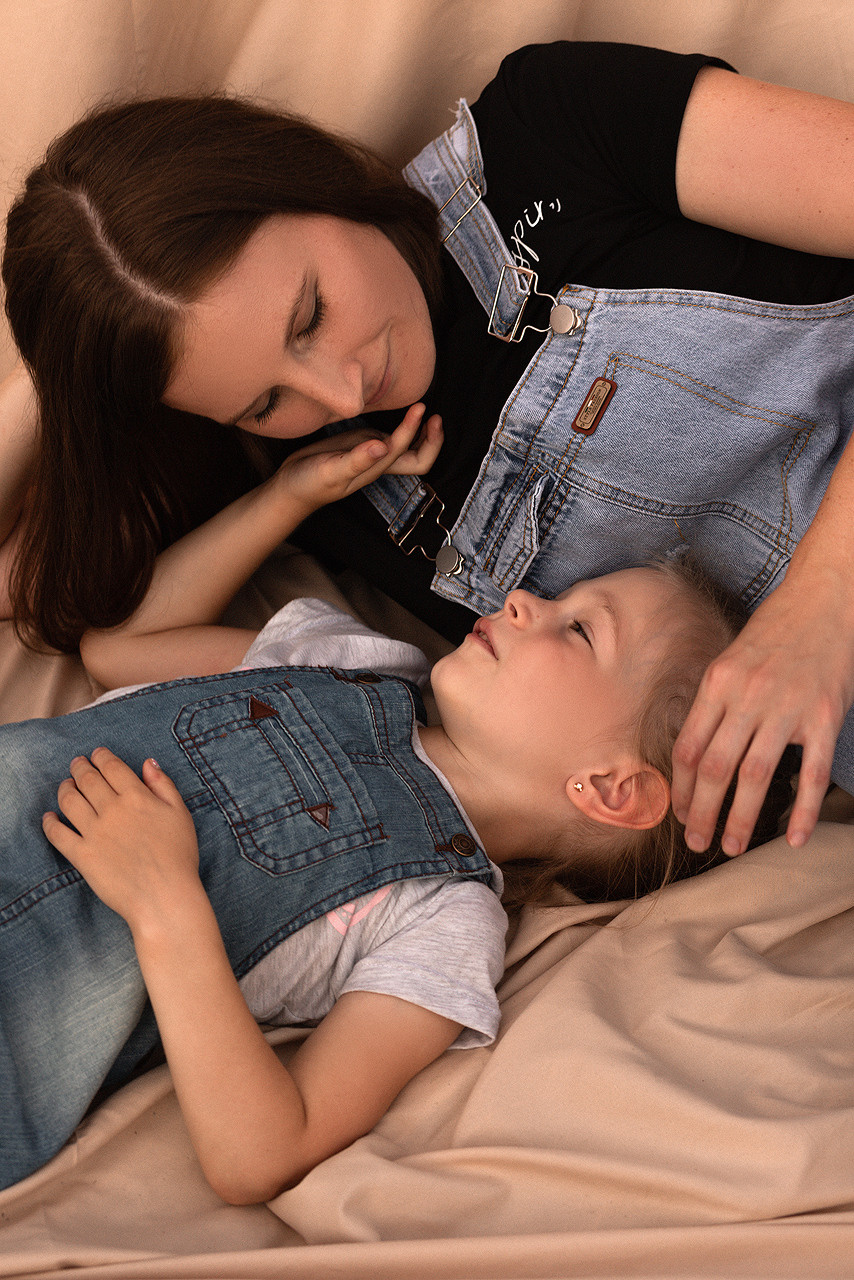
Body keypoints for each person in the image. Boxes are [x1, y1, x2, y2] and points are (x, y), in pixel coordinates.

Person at [2, 42, 854, 882]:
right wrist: (281, 496)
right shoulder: (329, 477)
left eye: (311, 314)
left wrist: (819, 608)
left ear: (311, 188)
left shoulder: (552, 126)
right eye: (265, 403)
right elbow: (98, 617)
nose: (341, 393)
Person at [0, 428, 778, 1200]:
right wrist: (285, 498)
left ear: (610, 788)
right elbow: (121, 643)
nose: (521, 599)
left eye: (578, 628)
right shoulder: (353, 660)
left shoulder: (447, 926)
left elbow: (264, 1150)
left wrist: (167, 906)